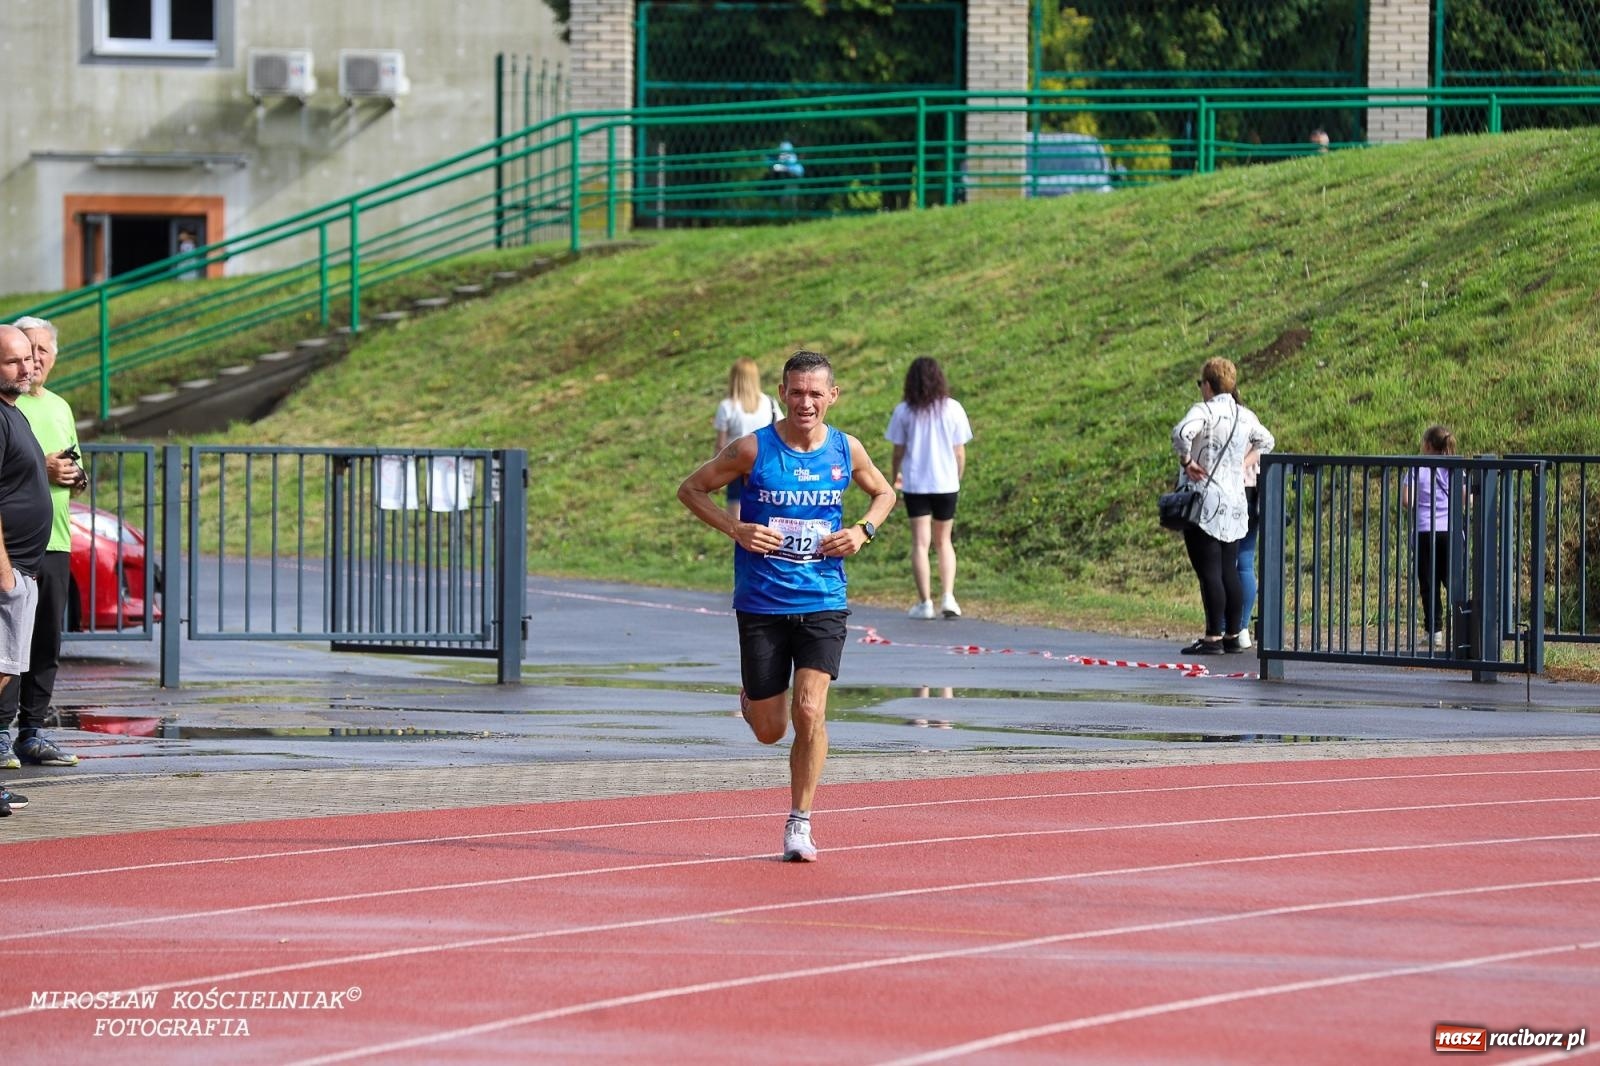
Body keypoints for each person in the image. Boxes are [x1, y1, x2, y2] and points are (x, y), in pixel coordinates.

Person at [678, 349, 894, 862]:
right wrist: (736, 528)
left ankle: (800, 822)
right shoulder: (753, 450)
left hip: (823, 597)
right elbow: (691, 490)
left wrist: (862, 532)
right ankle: (753, 701)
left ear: (832, 396)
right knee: (772, 730)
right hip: (762, 601)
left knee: (810, 709)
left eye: (816, 393)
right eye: (797, 392)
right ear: (781, 393)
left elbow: (884, 494)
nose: (806, 402)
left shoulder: (846, 449)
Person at [1, 317, 87, 769]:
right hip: (12, 546)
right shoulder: (8, 405)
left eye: (40, 353)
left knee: (44, 642)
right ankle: (1, 732)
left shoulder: (59, 406)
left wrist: (73, 476)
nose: (32, 362)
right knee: (7, 644)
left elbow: (74, 470)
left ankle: (32, 732)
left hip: (55, 538)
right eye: (23, 353)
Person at [1170, 357, 1274, 655]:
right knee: (1230, 567)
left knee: (1209, 570)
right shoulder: (1244, 415)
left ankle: (1212, 636)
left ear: (1208, 385)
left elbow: (1181, 433)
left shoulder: (1203, 410)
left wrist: (1187, 461)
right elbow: (1267, 441)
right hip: (1236, 499)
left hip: (1205, 499)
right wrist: (1244, 462)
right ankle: (1233, 632)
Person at [0, 324, 53, 816]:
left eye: (29, 358)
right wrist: (4, 572)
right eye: (13, 360)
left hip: (23, 568)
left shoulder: (18, 414)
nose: (26, 366)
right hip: (7, 570)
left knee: (5, 671)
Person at [885, 356, 973, 620]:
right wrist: (957, 477)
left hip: (916, 483)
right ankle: (948, 596)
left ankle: (925, 602)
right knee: (944, 541)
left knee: (920, 543)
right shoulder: (953, 408)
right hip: (946, 482)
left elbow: (898, 451)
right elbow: (960, 452)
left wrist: (894, 477)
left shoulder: (904, 411)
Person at [1400, 425, 1457, 650]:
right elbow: (1467, 499)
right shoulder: (1455, 467)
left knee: (1429, 583)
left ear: (1427, 445)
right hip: (1450, 531)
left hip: (1425, 531)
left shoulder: (1418, 468)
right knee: (1454, 582)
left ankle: (1434, 632)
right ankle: (1465, 629)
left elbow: (1407, 500)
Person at [711, 358, 780, 521]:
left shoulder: (727, 407)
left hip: (736, 464)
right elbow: (780, 431)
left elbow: (721, 444)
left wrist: (716, 474)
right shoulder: (769, 402)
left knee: (735, 512)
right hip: (764, 463)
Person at [1231, 387, 1264, 649]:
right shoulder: (1249, 417)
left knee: (1224, 563)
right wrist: (1247, 462)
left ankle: (1224, 626)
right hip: (1252, 491)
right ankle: (1241, 628)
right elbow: (1265, 444)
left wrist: (1237, 464)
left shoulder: (1211, 415)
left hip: (1228, 491)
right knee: (1245, 561)